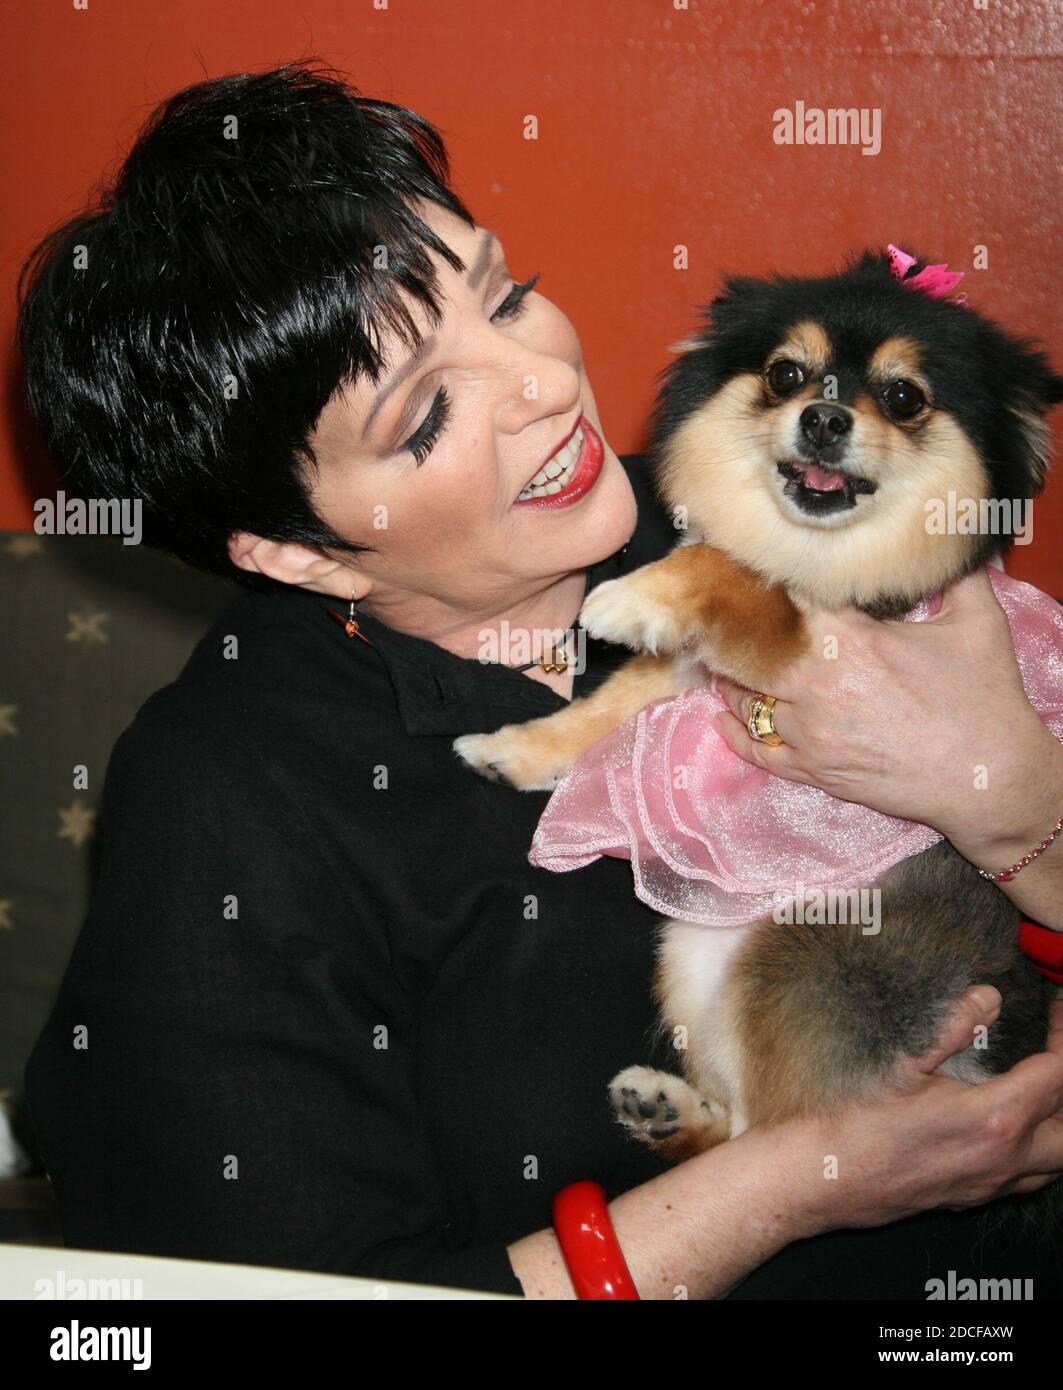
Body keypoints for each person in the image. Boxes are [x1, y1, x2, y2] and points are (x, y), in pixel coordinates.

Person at [18, 60, 1063, 1300]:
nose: (548, 384)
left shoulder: (768, 517)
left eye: (506, 298)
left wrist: (1017, 808)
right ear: (296, 550)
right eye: (423, 417)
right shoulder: (226, 800)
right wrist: (794, 1180)